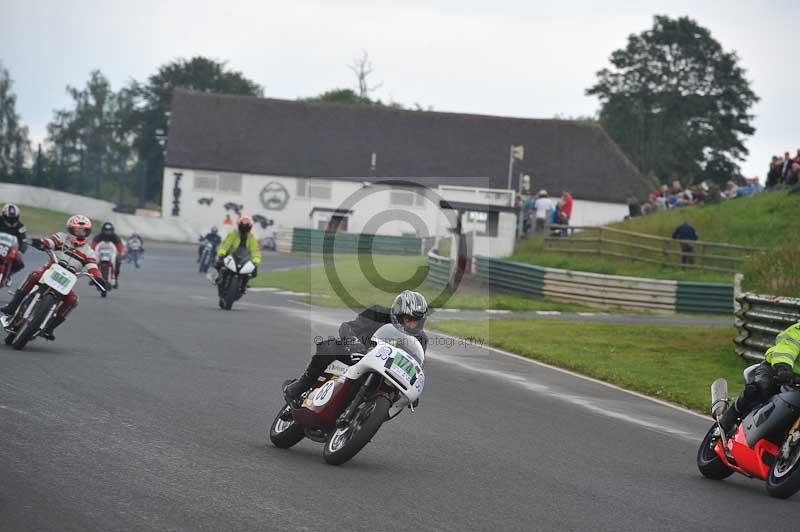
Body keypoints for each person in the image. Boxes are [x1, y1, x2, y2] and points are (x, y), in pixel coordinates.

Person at [283, 290, 429, 403]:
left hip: (387, 373)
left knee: (401, 398)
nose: (410, 324)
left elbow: (416, 365)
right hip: (357, 355)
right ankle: (304, 382)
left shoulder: (421, 339)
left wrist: (413, 387)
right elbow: (347, 328)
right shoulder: (377, 313)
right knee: (330, 345)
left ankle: (365, 417)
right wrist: (355, 344)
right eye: (407, 319)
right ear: (397, 313)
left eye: (415, 321)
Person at [0, 215, 107, 340]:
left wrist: (98, 277)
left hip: (67, 280)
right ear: (70, 229)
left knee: (72, 300)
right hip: (49, 270)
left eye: (83, 231)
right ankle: (13, 306)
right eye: (77, 230)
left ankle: (50, 328)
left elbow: (92, 266)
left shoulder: (89, 251)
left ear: (87, 232)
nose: (80, 233)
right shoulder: (61, 237)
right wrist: (40, 243)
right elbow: (49, 242)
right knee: (34, 276)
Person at [718, 322, 800, 434]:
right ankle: (728, 418)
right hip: (777, 369)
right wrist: (783, 367)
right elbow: (786, 348)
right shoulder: (797, 330)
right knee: (760, 388)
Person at [215, 215, 261, 291]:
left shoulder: (252, 238)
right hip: (231, 256)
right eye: (242, 226)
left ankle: (244, 284)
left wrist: (256, 260)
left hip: (244, 259)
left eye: (246, 227)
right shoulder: (233, 234)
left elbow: (255, 251)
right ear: (239, 225)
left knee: (253, 271)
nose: (244, 229)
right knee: (219, 263)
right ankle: (220, 277)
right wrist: (222, 253)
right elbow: (225, 245)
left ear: (250, 227)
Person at [91, 221, 125, 288]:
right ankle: (93, 277)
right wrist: (92, 252)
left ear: (112, 230)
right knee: (92, 263)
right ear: (103, 230)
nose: (107, 232)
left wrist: (120, 254)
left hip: (111, 254)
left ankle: (115, 279)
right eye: (106, 230)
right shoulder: (98, 236)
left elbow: (120, 246)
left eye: (109, 231)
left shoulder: (115, 237)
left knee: (118, 262)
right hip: (100, 254)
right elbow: (93, 245)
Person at [0, 203, 28, 280]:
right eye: (9, 218)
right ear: (4, 216)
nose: (11, 221)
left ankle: (8, 275)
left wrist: (20, 252)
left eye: (13, 218)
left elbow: (24, 242)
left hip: (10, 249)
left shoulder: (21, 227)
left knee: (19, 264)